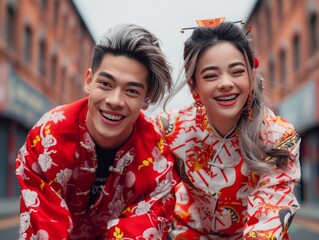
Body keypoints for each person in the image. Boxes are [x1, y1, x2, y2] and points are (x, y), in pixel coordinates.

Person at [16, 23, 177, 240]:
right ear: (89, 81)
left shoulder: (156, 159)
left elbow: (142, 231)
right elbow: (43, 229)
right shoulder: (47, 138)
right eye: (105, 84)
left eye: (131, 91)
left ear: (146, 99)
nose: (115, 101)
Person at [153, 22, 301, 239]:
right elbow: (152, 195)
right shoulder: (170, 130)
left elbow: (271, 209)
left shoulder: (279, 136)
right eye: (211, 75)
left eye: (237, 72)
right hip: (191, 232)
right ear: (193, 85)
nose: (226, 83)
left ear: (251, 76)